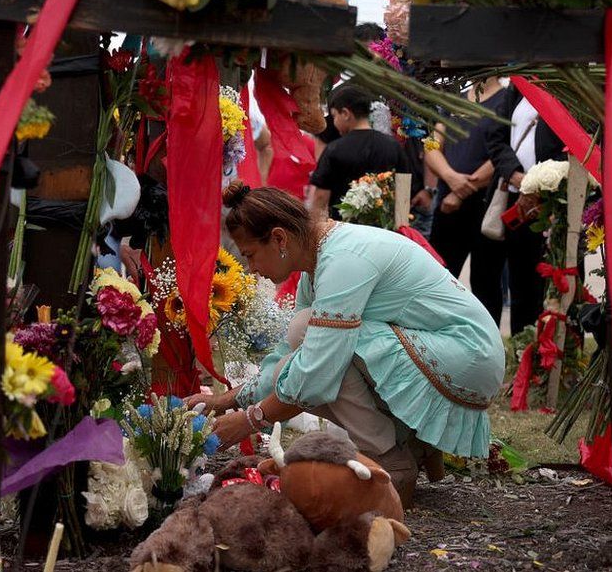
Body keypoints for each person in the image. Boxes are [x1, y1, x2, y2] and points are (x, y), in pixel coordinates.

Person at [186, 183, 505, 505]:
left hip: (468, 356)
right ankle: (407, 443)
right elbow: (290, 355)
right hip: (449, 352)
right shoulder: (319, 258)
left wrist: (248, 421)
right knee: (295, 354)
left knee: (311, 347)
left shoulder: (343, 259)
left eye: (250, 255)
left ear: (279, 238)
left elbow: (318, 370)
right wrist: (227, 402)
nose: (252, 269)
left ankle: (392, 461)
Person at [484, 87, 568, 334]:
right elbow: (496, 136)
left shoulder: (567, 87)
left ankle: (558, 351)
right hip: (518, 198)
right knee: (521, 282)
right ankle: (524, 349)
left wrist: (545, 183)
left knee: (557, 280)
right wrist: (517, 175)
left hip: (555, 200)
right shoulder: (518, 87)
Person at [426, 77, 507, 326]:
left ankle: (489, 342)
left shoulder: (506, 100)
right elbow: (431, 145)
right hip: (447, 205)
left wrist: (461, 191)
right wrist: (450, 178)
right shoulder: (454, 99)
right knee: (439, 277)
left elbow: (505, 152)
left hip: (486, 204)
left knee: (486, 282)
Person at [310, 85, 410, 220]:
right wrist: (401, 225)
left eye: (334, 116)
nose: (334, 122)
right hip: (383, 232)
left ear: (345, 114)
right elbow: (403, 193)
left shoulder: (334, 149)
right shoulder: (393, 146)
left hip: (344, 230)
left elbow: (320, 197)